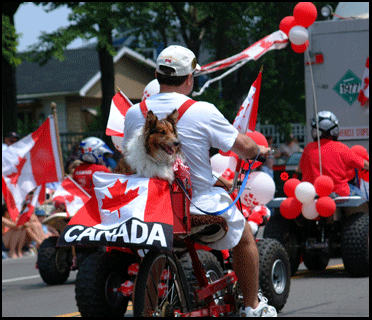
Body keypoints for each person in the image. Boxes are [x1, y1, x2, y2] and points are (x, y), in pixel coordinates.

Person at [123, 45, 276, 317]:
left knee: (154, 251)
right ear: (190, 79)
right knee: (245, 237)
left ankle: (145, 311)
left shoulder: (135, 113)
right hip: (197, 206)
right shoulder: (203, 110)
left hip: (151, 209)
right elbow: (243, 147)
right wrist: (258, 150)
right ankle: (253, 306)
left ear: (158, 75)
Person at [298, 111, 369, 196]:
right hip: (340, 195)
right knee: (362, 197)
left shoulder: (307, 149)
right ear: (335, 130)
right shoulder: (341, 147)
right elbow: (363, 164)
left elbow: (298, 169)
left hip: (311, 196)